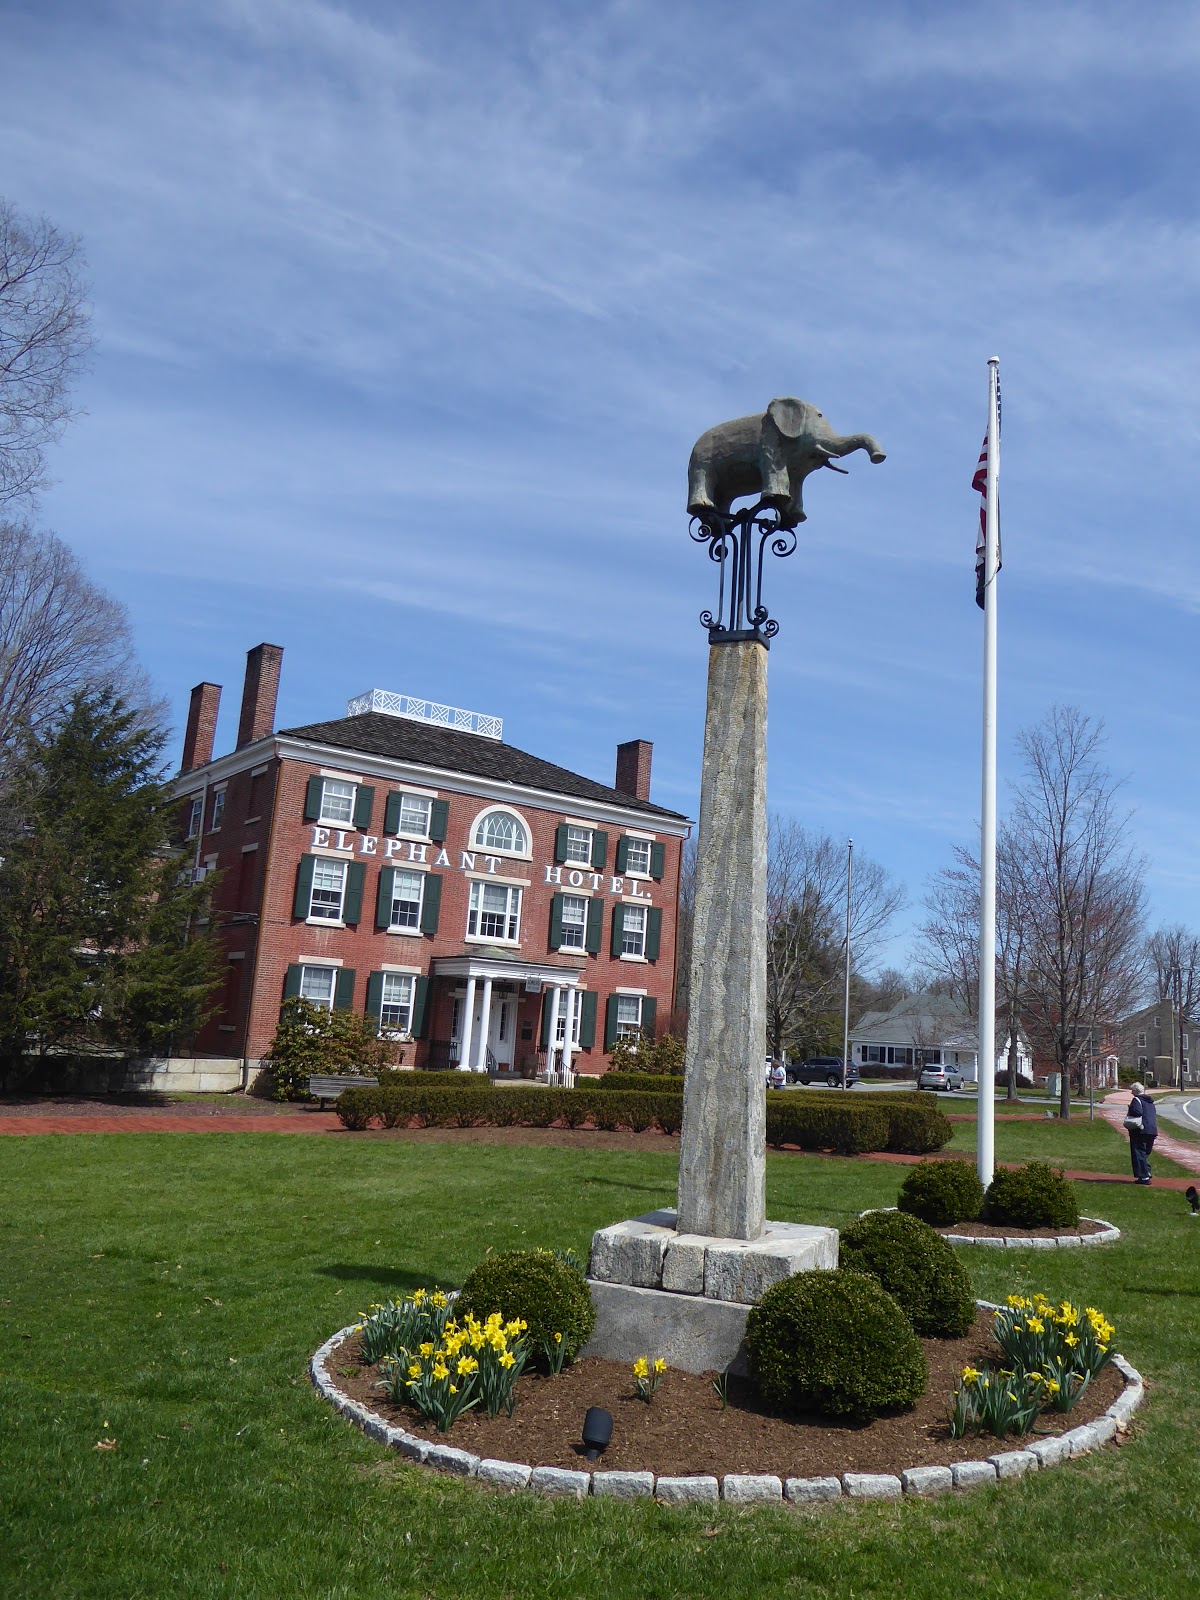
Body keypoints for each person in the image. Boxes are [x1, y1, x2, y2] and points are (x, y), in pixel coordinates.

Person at [1125, 1081, 1158, 1185]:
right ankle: (1146, 1171)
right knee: (1144, 1153)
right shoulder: (1150, 1102)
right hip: (1152, 1130)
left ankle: (1144, 1176)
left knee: (1138, 1152)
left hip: (1141, 1130)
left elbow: (1138, 1112)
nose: (1131, 1093)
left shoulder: (1136, 1100)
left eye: (1132, 1090)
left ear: (1135, 1091)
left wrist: (1130, 1108)